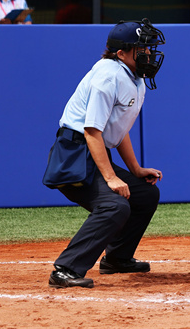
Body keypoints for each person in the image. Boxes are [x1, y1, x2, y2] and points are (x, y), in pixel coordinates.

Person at [46, 19, 166, 288]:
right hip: (74, 154)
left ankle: (117, 258)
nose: (148, 54)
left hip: (92, 150)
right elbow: (92, 132)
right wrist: (111, 178)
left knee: (145, 194)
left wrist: (135, 170)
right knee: (114, 205)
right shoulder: (108, 77)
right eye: (142, 49)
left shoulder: (134, 76)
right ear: (121, 53)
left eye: (149, 48)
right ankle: (65, 269)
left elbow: (118, 128)